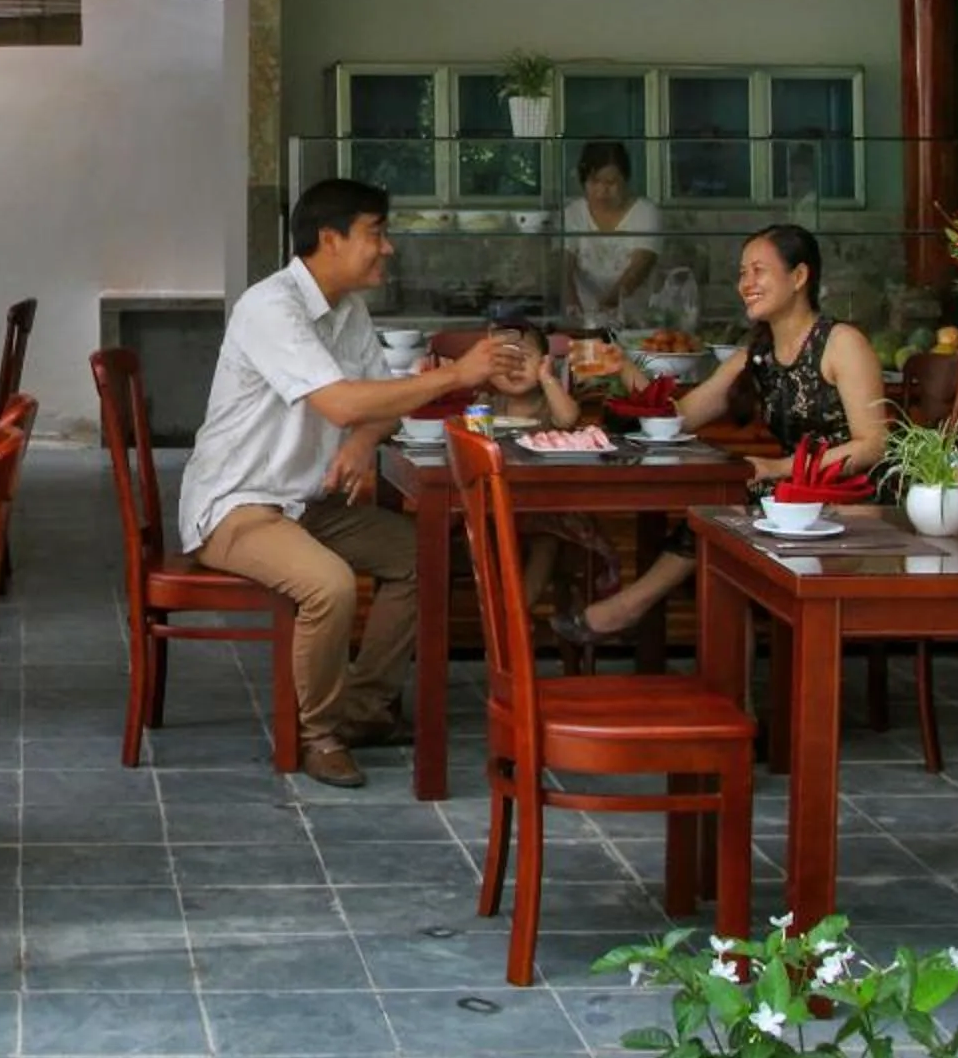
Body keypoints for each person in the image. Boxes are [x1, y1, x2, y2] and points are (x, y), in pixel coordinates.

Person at [180, 178, 522, 787]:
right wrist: (454, 378)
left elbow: (376, 405)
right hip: (237, 505)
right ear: (329, 239)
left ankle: (362, 708)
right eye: (376, 233)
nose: (387, 248)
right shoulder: (270, 306)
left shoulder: (349, 310)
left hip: (307, 503)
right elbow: (342, 402)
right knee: (329, 585)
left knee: (426, 557)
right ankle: (318, 734)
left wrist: (365, 441)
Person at [556, 222, 889, 654]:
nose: (745, 284)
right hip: (794, 495)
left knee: (720, 518)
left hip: (859, 495)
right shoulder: (756, 353)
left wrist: (778, 469)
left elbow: (873, 444)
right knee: (718, 532)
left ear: (799, 277)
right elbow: (680, 416)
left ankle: (629, 608)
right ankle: (734, 693)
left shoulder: (842, 343)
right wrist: (622, 367)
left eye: (758, 271)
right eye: (742, 273)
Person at [479, 313, 593, 617]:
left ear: (543, 361)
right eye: (503, 359)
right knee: (481, 534)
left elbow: (568, 419)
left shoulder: (550, 403)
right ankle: (495, 613)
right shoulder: (486, 405)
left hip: (548, 504)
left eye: (524, 358)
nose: (514, 367)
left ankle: (514, 615)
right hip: (497, 504)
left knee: (546, 540)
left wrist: (548, 378)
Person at [563, 141, 664, 325]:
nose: (602, 191)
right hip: (583, 320)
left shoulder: (646, 212)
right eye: (594, 182)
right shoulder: (573, 213)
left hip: (635, 321)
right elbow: (563, 264)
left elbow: (640, 266)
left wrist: (607, 306)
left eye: (611, 183)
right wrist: (571, 302)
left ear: (625, 180)